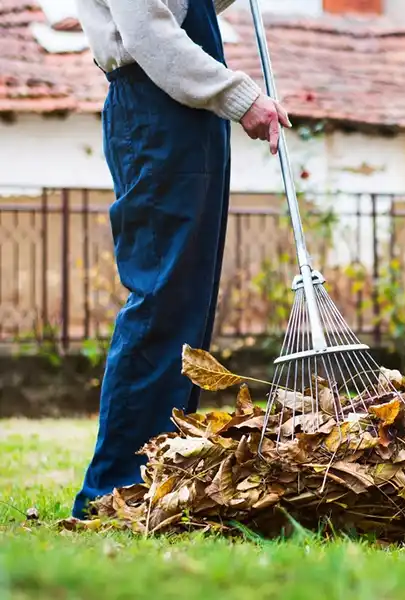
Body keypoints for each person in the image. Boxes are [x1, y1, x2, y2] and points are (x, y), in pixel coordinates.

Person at [71, 0, 289, 518]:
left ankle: (160, 476)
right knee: (162, 300)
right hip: (155, 108)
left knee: (187, 303)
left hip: (185, 115)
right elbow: (150, 33)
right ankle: (114, 488)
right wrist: (241, 97)